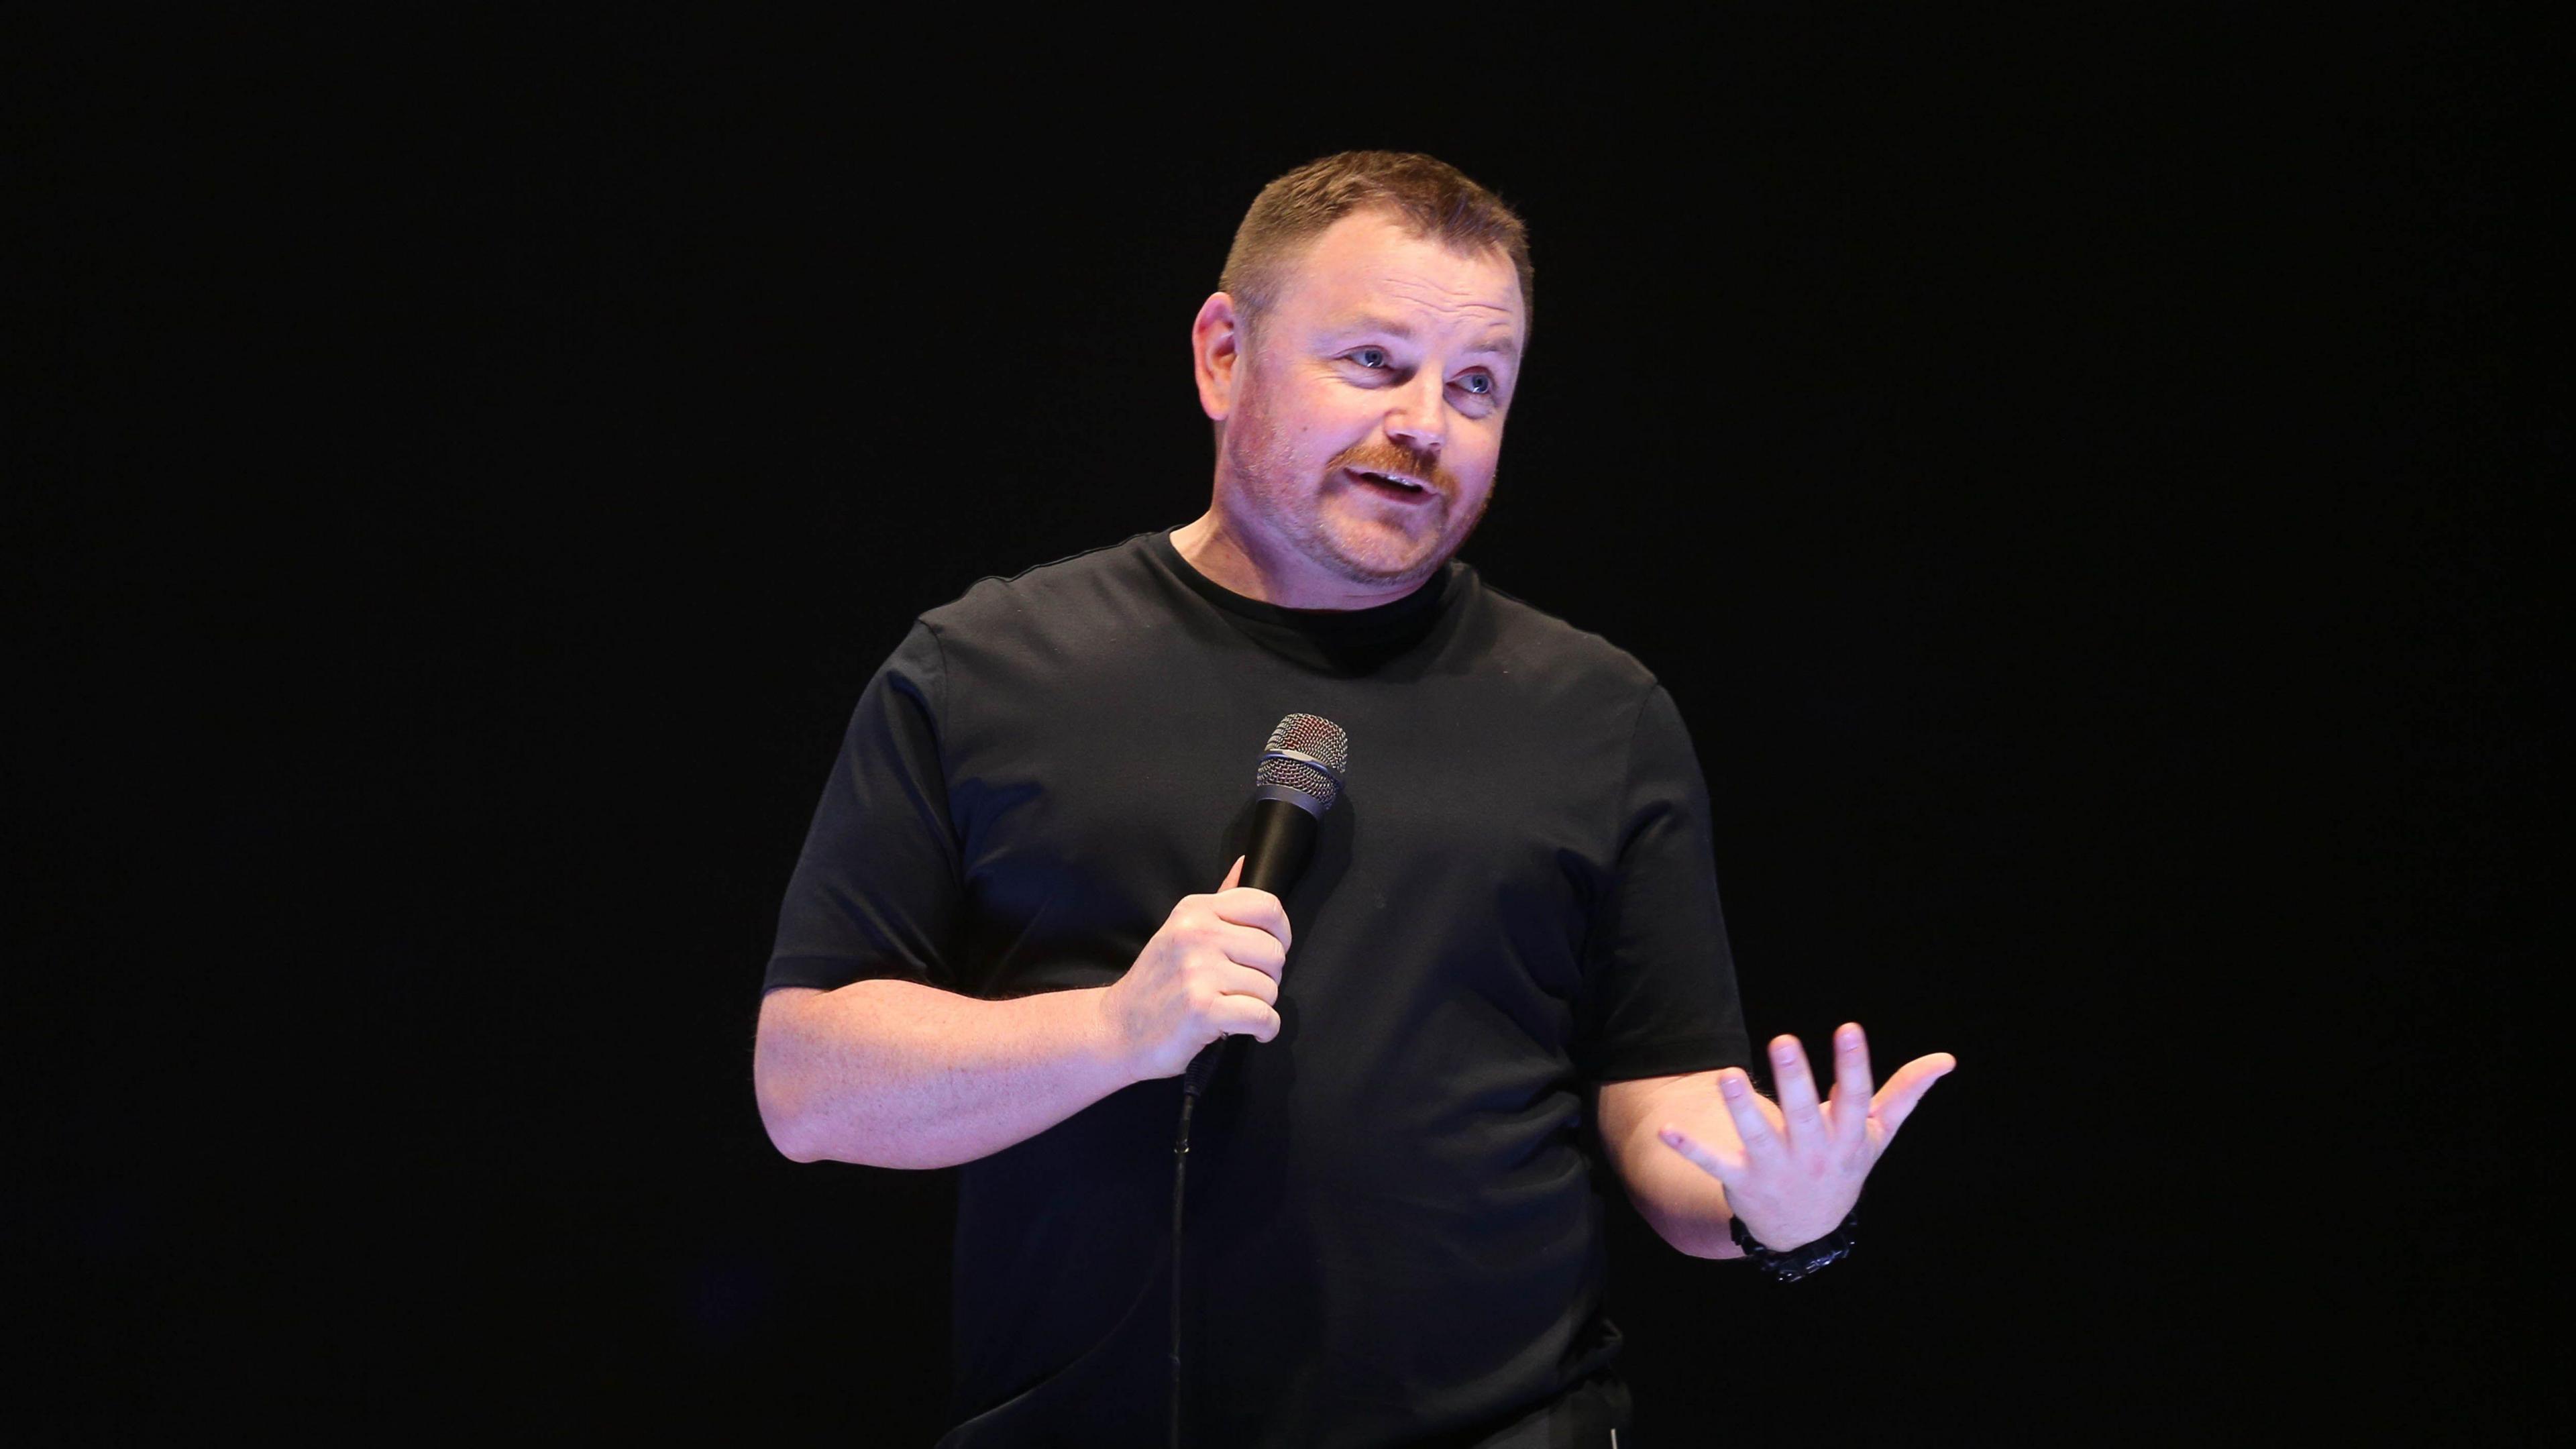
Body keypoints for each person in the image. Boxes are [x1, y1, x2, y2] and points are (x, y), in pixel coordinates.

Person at [753, 151, 1954, 1448]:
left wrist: (1772, 1209)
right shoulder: (991, 670)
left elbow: (1660, 1101)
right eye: (1375, 363)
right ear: (1224, 357)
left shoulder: (1598, 714)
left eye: (1477, 385)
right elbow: (810, 1087)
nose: (1427, 422)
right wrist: (1110, 1031)